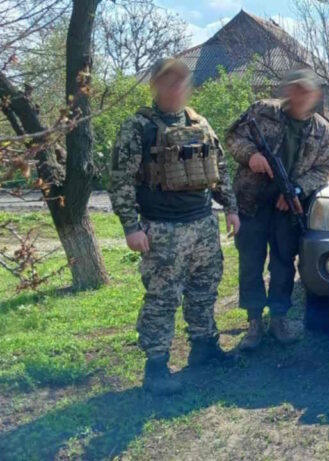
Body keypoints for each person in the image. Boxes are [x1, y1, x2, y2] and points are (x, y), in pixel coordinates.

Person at [108, 57, 241, 395]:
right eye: (169, 81)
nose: (177, 88)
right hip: (162, 229)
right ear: (155, 85)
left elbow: (219, 166)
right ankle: (155, 368)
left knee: (204, 288)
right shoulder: (137, 126)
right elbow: (120, 179)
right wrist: (130, 227)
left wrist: (230, 208)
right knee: (162, 297)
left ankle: (203, 347)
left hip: (202, 223)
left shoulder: (199, 122)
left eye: (182, 82)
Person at [225, 69, 329, 351]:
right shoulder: (262, 111)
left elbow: (325, 169)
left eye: (305, 91)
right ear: (288, 90)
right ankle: (253, 322)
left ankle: (278, 318)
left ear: (315, 95)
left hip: (287, 209)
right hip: (251, 202)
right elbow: (233, 137)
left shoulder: (324, 131)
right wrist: (252, 156)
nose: (299, 96)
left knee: (283, 263)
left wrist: (297, 190)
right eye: (295, 89)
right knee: (251, 262)